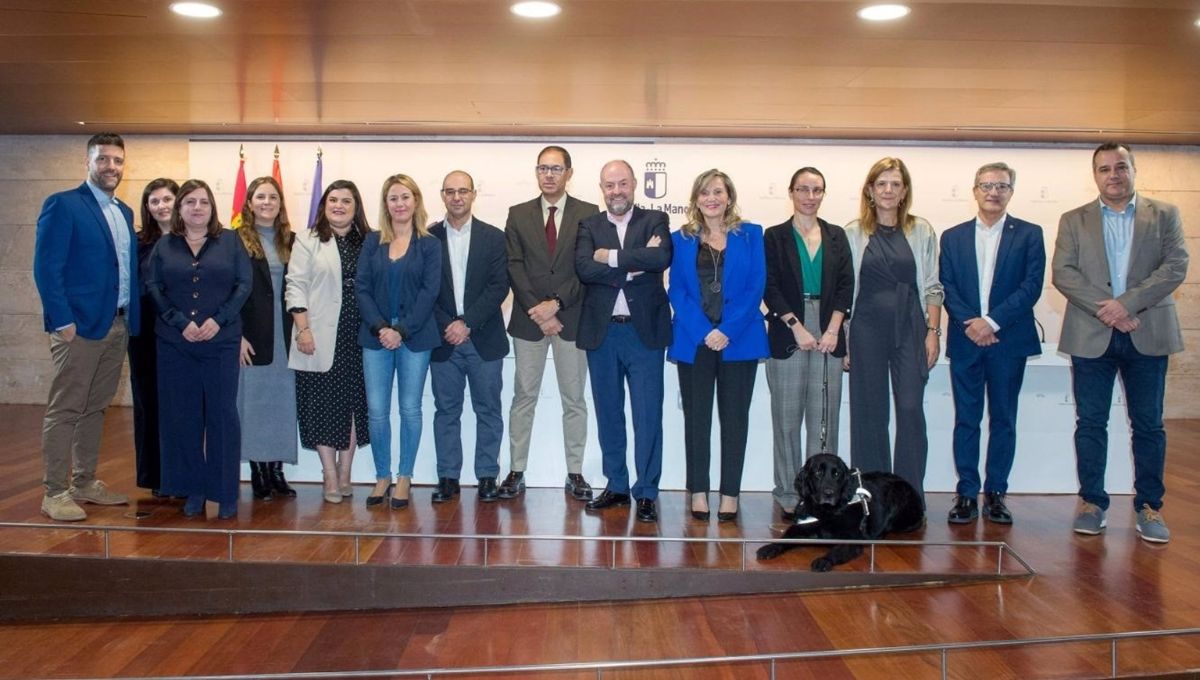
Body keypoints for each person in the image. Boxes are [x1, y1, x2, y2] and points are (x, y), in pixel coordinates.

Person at [1052, 143, 1188, 544]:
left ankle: (1150, 506)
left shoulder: (1164, 215)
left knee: (1148, 425)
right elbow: (1064, 272)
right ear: (1095, 175)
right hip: (1092, 335)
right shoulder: (1073, 219)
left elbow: (1176, 265)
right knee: (1091, 424)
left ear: (1133, 169)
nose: (1113, 174)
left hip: (1148, 332)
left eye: (1120, 167)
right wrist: (1108, 310)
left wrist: (1126, 304)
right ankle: (1093, 503)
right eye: (1104, 168)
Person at [33, 132, 139, 521]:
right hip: (78, 328)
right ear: (88, 162)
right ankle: (55, 491)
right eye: (103, 159)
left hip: (117, 325)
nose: (111, 167)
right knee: (66, 409)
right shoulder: (63, 205)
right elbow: (47, 267)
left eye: (118, 161)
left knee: (96, 409)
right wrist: (62, 320)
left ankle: (84, 481)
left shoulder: (123, 211)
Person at [940, 162, 1045, 525]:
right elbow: (947, 286)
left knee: (1003, 420)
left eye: (1001, 185)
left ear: (1011, 191)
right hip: (967, 339)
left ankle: (996, 494)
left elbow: (1031, 286)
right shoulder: (952, 236)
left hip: (1007, 341)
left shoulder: (1030, 234)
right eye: (986, 185)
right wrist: (972, 324)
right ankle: (967, 493)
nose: (993, 192)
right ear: (975, 190)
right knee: (966, 420)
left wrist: (992, 322)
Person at [145, 179, 251, 519]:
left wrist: (218, 320)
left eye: (203, 202)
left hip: (221, 342)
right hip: (176, 344)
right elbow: (155, 287)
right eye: (189, 202)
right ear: (180, 209)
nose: (197, 208)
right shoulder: (165, 245)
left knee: (222, 416)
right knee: (184, 417)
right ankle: (193, 489)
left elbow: (243, 285)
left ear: (212, 207)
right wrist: (180, 322)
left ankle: (225, 493)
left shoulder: (231, 241)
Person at [501, 145, 601, 501]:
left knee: (573, 399)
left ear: (569, 173)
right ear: (536, 172)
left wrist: (556, 305)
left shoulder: (589, 213)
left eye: (556, 169)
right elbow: (514, 265)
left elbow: (587, 267)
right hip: (530, 323)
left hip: (571, 319)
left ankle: (575, 473)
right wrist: (538, 311)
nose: (549, 175)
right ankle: (516, 470)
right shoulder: (518, 213)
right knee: (523, 396)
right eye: (543, 168)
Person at [668, 169, 768, 523]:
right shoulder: (680, 238)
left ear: (729, 197)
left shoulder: (752, 235)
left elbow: (756, 286)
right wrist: (703, 331)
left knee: (734, 420)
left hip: (738, 341)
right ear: (695, 199)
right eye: (705, 193)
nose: (712, 198)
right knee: (697, 420)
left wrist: (726, 330)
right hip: (694, 341)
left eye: (718, 192)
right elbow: (676, 289)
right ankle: (698, 490)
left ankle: (729, 494)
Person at [576, 160, 672, 523]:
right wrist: (635, 262)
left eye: (622, 184)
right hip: (602, 334)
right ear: (601, 188)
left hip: (642, 332)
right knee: (609, 413)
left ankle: (646, 491)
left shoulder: (655, 220)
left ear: (634, 185)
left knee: (648, 415)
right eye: (609, 185)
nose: (616, 191)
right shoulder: (589, 224)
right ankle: (616, 485)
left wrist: (611, 258)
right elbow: (584, 268)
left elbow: (660, 257)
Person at [844, 157, 943, 501]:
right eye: (881, 184)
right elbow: (845, 291)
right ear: (870, 190)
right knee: (869, 413)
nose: (888, 190)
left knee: (911, 410)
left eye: (895, 184)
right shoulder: (853, 233)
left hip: (911, 328)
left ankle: (909, 498)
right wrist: (845, 342)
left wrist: (933, 331)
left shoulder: (922, 230)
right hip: (865, 329)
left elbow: (932, 286)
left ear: (904, 192)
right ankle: (871, 495)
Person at [762, 167, 853, 522]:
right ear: (791, 192)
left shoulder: (836, 235)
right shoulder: (775, 236)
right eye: (803, 189)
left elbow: (846, 285)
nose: (809, 196)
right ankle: (787, 493)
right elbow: (769, 286)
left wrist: (833, 329)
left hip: (830, 327)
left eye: (817, 190)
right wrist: (796, 326)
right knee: (786, 420)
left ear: (823, 194)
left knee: (824, 421)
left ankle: (824, 497)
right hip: (789, 330)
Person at [356, 174, 441, 508]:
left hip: (415, 338)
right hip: (375, 337)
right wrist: (381, 328)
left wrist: (401, 331)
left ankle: (404, 476)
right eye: (393, 198)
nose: (400, 204)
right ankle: (382, 476)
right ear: (385, 203)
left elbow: (429, 292)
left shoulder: (430, 243)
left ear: (416, 201)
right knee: (377, 410)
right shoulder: (372, 241)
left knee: (409, 408)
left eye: (405, 197)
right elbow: (361, 287)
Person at [286, 180, 371, 504]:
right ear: (324, 205)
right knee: (321, 407)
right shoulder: (307, 240)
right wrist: (303, 330)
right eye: (333, 200)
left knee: (352, 407)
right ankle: (329, 474)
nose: (339, 205)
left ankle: (346, 471)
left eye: (346, 201)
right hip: (317, 336)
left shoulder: (370, 240)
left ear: (355, 207)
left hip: (360, 336)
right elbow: (295, 285)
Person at [429, 171, 510, 504]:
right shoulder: (427, 237)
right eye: (451, 191)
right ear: (442, 195)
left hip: (483, 339)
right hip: (443, 340)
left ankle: (487, 476)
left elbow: (499, 286)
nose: (457, 197)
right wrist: (449, 324)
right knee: (446, 411)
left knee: (488, 410)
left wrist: (467, 323)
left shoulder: (494, 237)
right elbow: (424, 290)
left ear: (474, 194)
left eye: (463, 191)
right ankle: (448, 477)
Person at [234, 176, 298, 501]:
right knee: (255, 406)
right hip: (253, 337)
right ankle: (259, 471)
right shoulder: (234, 241)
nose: (267, 202)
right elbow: (226, 293)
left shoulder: (294, 240)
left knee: (282, 406)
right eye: (260, 197)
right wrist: (237, 336)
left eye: (273, 197)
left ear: (280, 203)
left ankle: (277, 471)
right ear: (249, 203)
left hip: (287, 337)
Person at [128, 177, 177, 497]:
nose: (161, 206)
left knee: (181, 406)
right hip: (145, 334)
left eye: (167, 199)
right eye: (154, 201)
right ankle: (155, 477)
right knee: (149, 405)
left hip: (184, 333)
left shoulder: (195, 240)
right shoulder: (136, 242)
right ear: (147, 208)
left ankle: (182, 473)